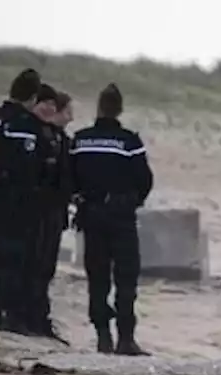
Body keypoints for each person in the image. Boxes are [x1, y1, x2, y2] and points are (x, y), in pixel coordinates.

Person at [69, 83, 154, 355]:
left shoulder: (80, 140)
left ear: (98, 107)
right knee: (126, 278)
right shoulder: (129, 141)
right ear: (119, 109)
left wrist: (81, 198)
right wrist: (130, 201)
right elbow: (144, 180)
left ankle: (103, 337)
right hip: (120, 217)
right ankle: (126, 339)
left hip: (90, 215)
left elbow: (68, 177)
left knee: (98, 278)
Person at [0, 68, 44, 332]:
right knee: (14, 255)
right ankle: (10, 315)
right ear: (33, 97)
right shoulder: (24, 124)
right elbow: (26, 166)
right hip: (15, 198)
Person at [25, 85, 74, 344]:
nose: (70, 117)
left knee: (46, 267)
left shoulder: (62, 140)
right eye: (68, 111)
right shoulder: (46, 139)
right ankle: (32, 319)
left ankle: (39, 319)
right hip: (41, 211)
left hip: (54, 211)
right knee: (37, 265)